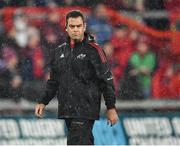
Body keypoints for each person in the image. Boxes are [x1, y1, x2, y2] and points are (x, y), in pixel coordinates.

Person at [35, 10, 118, 145]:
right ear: (66, 28)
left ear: (84, 27)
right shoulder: (59, 51)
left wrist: (111, 107)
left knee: (75, 142)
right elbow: (54, 82)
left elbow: (106, 80)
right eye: (72, 26)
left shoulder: (94, 50)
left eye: (78, 26)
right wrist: (43, 101)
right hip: (67, 110)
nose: (75, 30)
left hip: (85, 109)